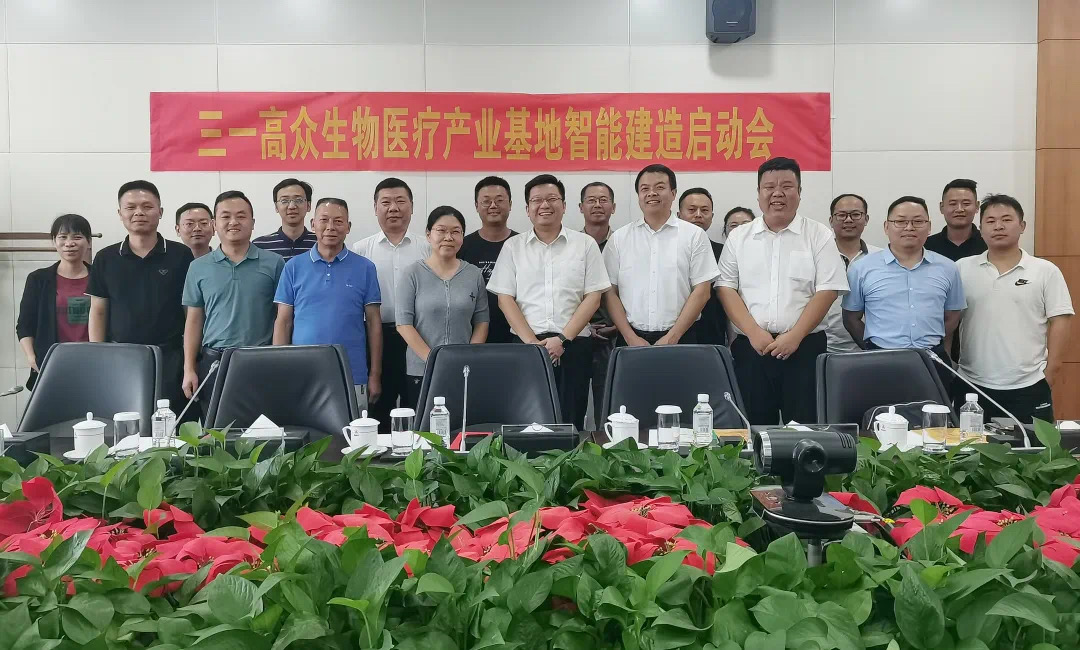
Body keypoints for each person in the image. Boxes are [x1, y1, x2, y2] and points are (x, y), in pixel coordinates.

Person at [716, 157, 848, 425]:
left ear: (799, 192)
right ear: (758, 193)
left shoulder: (819, 234)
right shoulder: (739, 237)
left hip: (805, 348)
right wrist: (753, 332)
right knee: (751, 428)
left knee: (805, 429)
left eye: (787, 186)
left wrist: (795, 336)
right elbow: (726, 288)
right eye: (769, 187)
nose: (778, 193)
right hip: (752, 348)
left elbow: (827, 290)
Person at [488, 174, 610, 429]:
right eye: (537, 200)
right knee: (526, 421)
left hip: (573, 344)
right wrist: (533, 345)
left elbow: (593, 297)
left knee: (571, 420)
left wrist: (562, 339)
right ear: (527, 209)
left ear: (564, 206)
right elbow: (505, 299)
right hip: (526, 345)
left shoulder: (585, 245)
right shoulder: (513, 247)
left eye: (552, 199)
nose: (544, 205)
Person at [956, 194, 1073, 424]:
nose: (998, 226)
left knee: (1034, 446)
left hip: (1029, 383)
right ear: (980, 229)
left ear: (1022, 226)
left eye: (1006, 219)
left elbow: (1061, 320)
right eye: (990, 221)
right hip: (972, 384)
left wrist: (1050, 371)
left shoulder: (1045, 270)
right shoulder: (961, 268)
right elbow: (949, 319)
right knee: (972, 446)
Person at [88, 180, 193, 415]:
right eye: (130, 207)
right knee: (124, 420)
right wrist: (97, 356)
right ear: (120, 213)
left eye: (147, 206)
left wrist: (190, 360)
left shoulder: (181, 255)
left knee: (169, 421)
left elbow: (190, 312)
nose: (139, 212)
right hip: (120, 357)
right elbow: (98, 311)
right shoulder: (106, 258)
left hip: (170, 358)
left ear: (160, 212)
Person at [842, 196, 965, 388]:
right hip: (880, 358)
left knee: (934, 408)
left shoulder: (948, 268)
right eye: (900, 221)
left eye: (918, 221)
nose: (909, 227)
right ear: (886, 227)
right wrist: (872, 348)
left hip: (932, 358)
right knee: (882, 407)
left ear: (929, 227)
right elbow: (851, 318)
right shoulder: (861, 268)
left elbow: (953, 316)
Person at [273, 198, 382, 412]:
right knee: (304, 431)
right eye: (324, 220)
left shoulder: (365, 268)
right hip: (301, 373)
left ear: (348, 227)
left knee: (352, 431)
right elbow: (283, 322)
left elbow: (373, 323)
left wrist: (375, 374)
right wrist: (280, 371)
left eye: (338, 221)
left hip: (352, 373)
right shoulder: (293, 267)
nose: (330, 227)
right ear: (313, 224)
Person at [182, 191, 285, 414]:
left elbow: (283, 317)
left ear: (253, 223)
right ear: (214, 224)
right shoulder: (198, 267)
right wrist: (189, 368)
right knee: (216, 429)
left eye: (241, 216)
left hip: (260, 360)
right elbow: (194, 321)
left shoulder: (274, 263)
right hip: (214, 362)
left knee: (264, 427)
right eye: (226, 216)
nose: (233, 222)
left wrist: (278, 360)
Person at [605, 164, 718, 348]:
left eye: (659, 187)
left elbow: (702, 291)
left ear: (673, 193)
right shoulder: (619, 238)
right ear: (638, 196)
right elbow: (609, 292)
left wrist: (673, 336)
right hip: (630, 339)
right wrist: (629, 336)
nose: (652, 193)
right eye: (645, 189)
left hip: (682, 337)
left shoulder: (694, 235)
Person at [351, 178, 430, 432]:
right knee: (378, 403)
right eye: (385, 202)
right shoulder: (361, 250)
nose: (393, 208)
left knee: (416, 402)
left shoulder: (428, 248)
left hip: (418, 336)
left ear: (412, 207)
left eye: (400, 201)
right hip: (377, 337)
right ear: (375, 208)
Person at [397, 206, 489, 408]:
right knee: (424, 424)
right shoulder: (412, 273)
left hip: (463, 369)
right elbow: (403, 323)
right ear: (428, 235)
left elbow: (482, 321)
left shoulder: (474, 274)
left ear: (462, 237)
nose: (448, 237)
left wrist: (469, 357)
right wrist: (433, 360)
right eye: (441, 231)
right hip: (421, 369)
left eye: (455, 231)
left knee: (461, 421)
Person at [17, 214, 93, 389]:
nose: (69, 243)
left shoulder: (101, 277)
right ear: (53, 241)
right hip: (51, 363)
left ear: (88, 242)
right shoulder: (38, 279)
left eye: (77, 237)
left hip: (94, 362)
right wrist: (31, 358)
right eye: (63, 237)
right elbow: (25, 325)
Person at [458, 176, 517, 344]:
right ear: (476, 206)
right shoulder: (462, 246)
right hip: (471, 334)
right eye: (486, 201)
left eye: (499, 200)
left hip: (517, 334)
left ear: (510, 204)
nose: (493, 206)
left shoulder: (522, 245)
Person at [824, 194, 882, 353]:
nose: (848, 220)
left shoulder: (881, 258)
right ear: (831, 220)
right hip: (824, 346)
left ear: (866, 219)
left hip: (871, 347)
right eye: (841, 215)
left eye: (856, 214)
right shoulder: (818, 256)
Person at [580, 181, 617, 425]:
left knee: (610, 407)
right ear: (580, 207)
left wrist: (617, 326)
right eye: (591, 200)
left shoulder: (624, 242)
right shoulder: (570, 244)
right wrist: (583, 326)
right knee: (572, 403)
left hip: (615, 336)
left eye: (603, 200)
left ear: (613, 207)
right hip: (575, 336)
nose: (597, 205)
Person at [677, 187, 728, 345]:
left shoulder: (724, 252)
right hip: (675, 335)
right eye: (692, 210)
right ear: (678, 215)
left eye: (704, 210)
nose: (698, 215)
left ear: (712, 216)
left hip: (712, 335)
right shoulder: (666, 251)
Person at [252, 178, 318, 260]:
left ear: (308, 205)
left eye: (298, 200)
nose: (291, 206)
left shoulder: (320, 243)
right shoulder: (259, 246)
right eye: (284, 201)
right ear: (276, 207)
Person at [926, 178, 987, 262]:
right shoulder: (926, 247)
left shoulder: (989, 243)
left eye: (966, 203)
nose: (959, 209)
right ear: (941, 207)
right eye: (953, 204)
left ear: (977, 206)